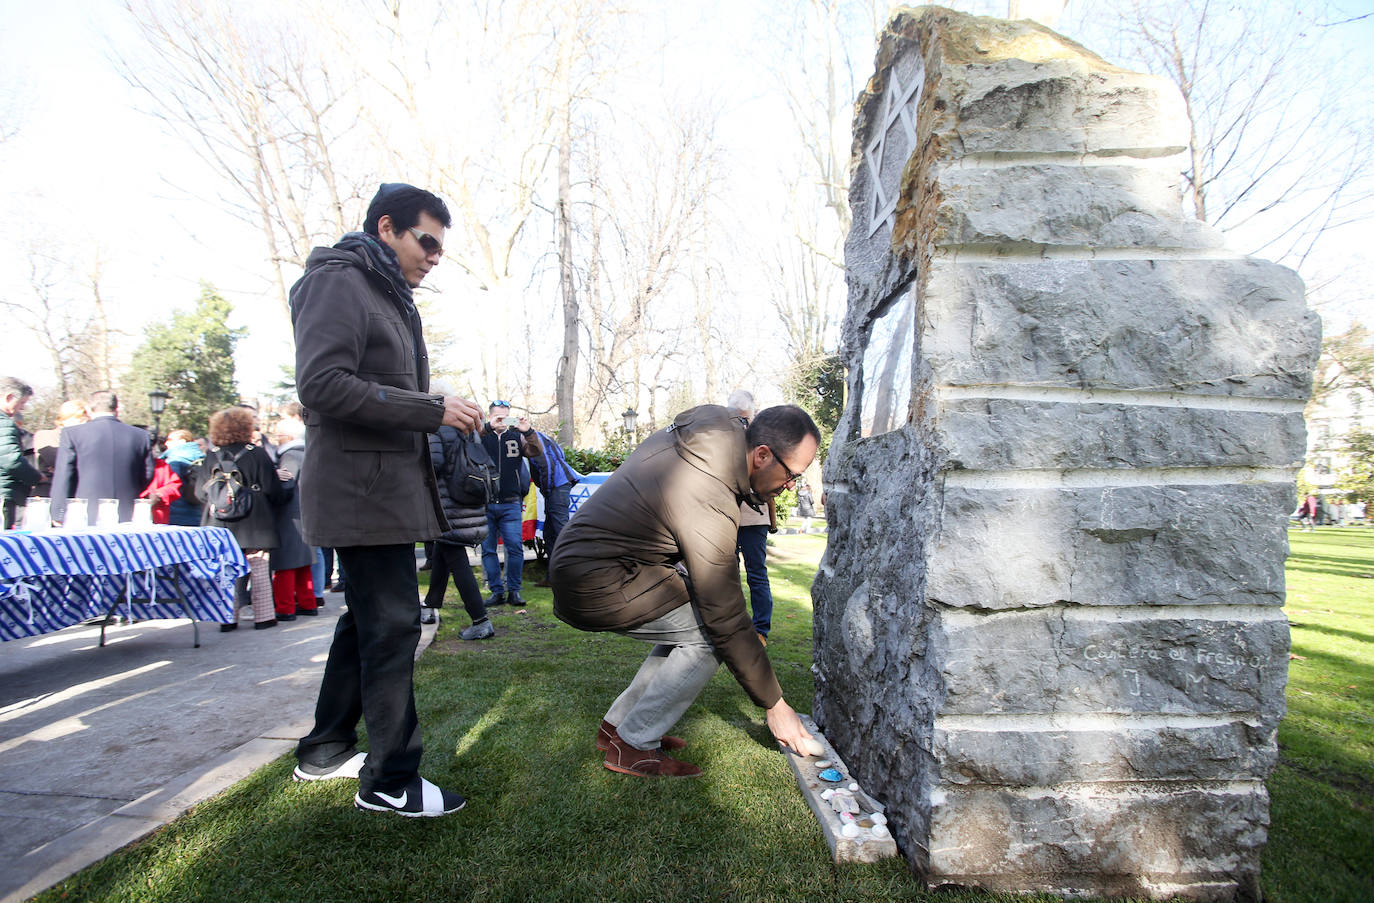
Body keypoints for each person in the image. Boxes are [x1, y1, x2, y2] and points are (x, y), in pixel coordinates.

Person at [289, 182, 482, 818]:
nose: (434, 256)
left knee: (367, 621)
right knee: (395, 626)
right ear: (385, 228)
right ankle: (390, 780)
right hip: (358, 495)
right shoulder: (340, 281)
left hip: (379, 495)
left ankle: (324, 748)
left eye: (440, 247)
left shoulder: (385, 292)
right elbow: (321, 386)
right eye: (425, 241)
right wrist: (430, 408)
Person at [549, 404, 821, 778]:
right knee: (712, 631)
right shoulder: (707, 489)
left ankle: (617, 727)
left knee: (694, 622)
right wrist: (776, 705)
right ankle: (633, 744)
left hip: (596, 566)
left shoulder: (715, 434)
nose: (791, 486)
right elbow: (724, 613)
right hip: (595, 579)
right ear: (761, 455)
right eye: (792, 475)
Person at [195, 406, 288, 630]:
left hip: (220, 522)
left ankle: (227, 618)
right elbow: (272, 489)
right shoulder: (256, 453)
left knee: (226, 571)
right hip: (255, 521)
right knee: (258, 568)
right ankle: (264, 617)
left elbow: (200, 492)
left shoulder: (211, 455)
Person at [423, 424, 495, 639]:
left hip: (449, 504)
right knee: (443, 549)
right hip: (469, 500)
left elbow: (432, 464)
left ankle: (480, 619)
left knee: (455, 556)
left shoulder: (436, 428)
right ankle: (429, 606)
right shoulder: (469, 428)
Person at [50, 390, 154, 525]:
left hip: (84, 512)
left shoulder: (72, 434)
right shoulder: (140, 435)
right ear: (116, 409)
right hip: (128, 510)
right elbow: (148, 473)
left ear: (89, 409)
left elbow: (64, 475)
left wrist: (59, 513)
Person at [727, 390, 777, 644]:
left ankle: (760, 631)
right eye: (737, 418)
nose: (742, 424)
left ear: (753, 415)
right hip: (727, 516)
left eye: (745, 418)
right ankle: (733, 626)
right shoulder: (723, 437)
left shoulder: (765, 438)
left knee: (756, 572)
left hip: (754, 517)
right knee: (728, 573)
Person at [479, 401, 540, 607]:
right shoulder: (481, 436)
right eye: (498, 416)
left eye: (506, 416)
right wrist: (487, 427)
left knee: (515, 548)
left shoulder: (516, 436)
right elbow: (465, 442)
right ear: (490, 417)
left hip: (511, 503)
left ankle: (514, 591)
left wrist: (528, 430)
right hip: (485, 503)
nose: (502, 421)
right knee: (488, 550)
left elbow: (535, 451)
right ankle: (496, 591)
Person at [269, 403, 318, 621]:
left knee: (286, 564)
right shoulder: (305, 452)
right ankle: (307, 602)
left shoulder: (289, 456)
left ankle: (286, 606)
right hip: (304, 511)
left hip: (290, 514)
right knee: (301, 563)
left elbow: (286, 487)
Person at [526, 425, 581, 577]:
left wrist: (547, 490)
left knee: (560, 531)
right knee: (550, 533)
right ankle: (553, 576)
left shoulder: (532, 440)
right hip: (560, 483)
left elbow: (547, 465)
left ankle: (573, 574)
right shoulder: (541, 435)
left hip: (558, 485)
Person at [1, 377, 43, 529]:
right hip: (3, 493)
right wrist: (37, 477)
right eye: (22, 403)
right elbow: (11, 460)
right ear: (9, 397)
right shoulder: (3, 423)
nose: (22, 408)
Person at [30, 399, 88, 499]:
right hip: (47, 495)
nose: (85, 423)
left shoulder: (86, 440)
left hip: (76, 495)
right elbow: (57, 459)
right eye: (81, 419)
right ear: (65, 418)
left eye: (87, 420)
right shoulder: (45, 435)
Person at [163, 430, 207, 526]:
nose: (166, 443)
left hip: (175, 516)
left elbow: (172, 489)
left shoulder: (174, 460)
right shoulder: (201, 458)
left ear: (182, 441)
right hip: (197, 513)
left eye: (170, 440)